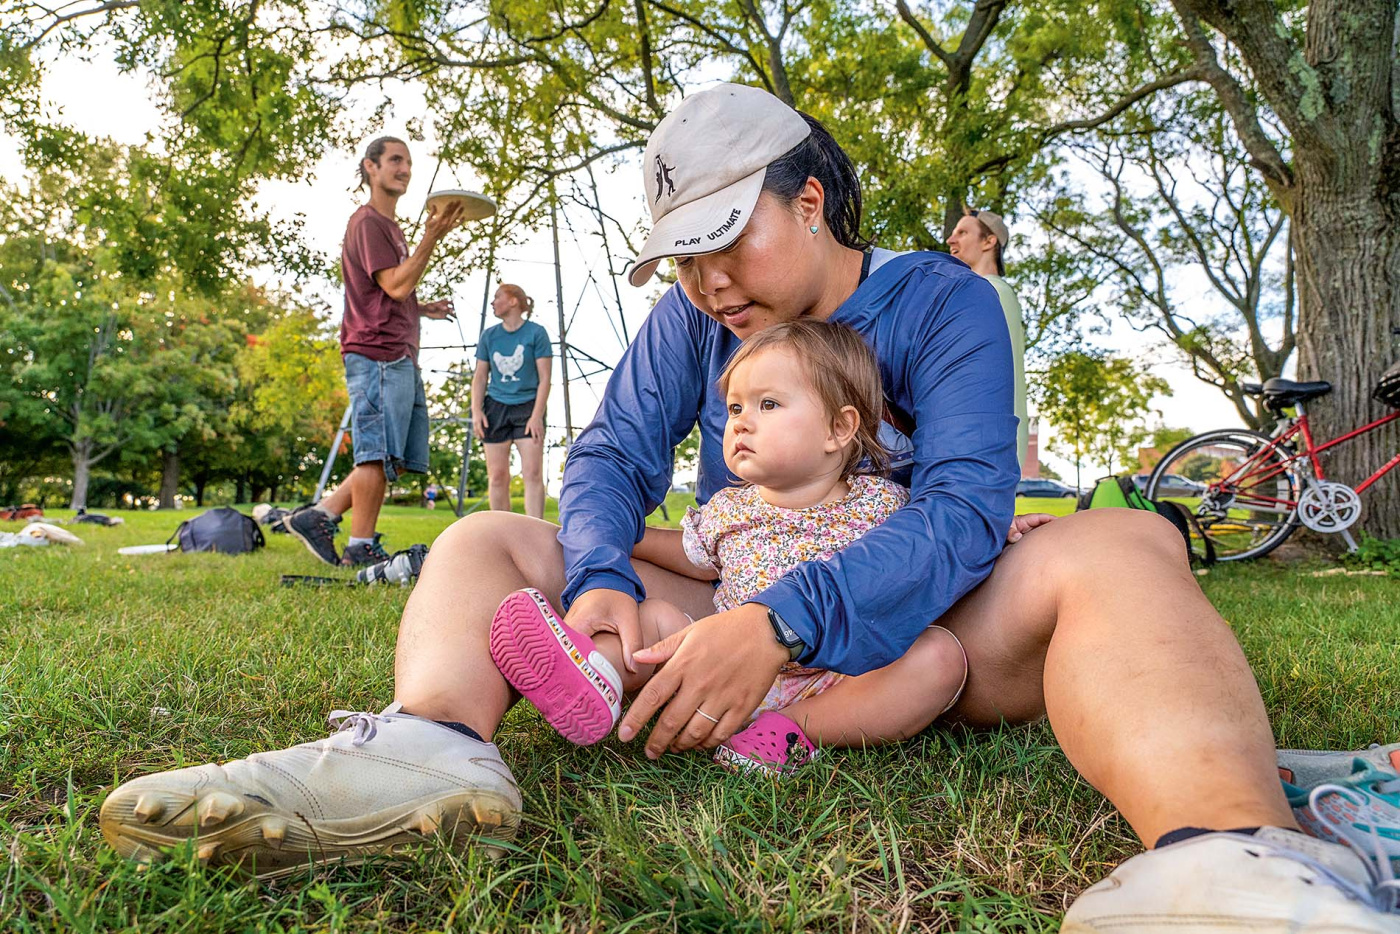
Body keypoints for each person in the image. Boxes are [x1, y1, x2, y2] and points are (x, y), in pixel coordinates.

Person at [100, 85, 1400, 929]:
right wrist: (604, 570)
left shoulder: (940, 303)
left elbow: (961, 511)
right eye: (684, 254)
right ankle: (434, 749)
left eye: (732, 238)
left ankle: (1233, 859)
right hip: (724, 593)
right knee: (488, 536)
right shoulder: (690, 317)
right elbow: (607, 453)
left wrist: (780, 623)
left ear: (813, 200)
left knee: (1120, 538)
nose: (707, 279)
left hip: (936, 622)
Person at [487, 319, 975, 774]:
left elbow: (936, 540)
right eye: (735, 408)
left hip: (840, 676)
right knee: (656, 616)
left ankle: (793, 731)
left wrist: (1006, 527)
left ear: (839, 428)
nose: (739, 423)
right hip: (720, 666)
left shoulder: (884, 502)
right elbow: (695, 561)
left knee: (938, 658)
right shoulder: (727, 507)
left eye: (768, 405)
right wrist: (624, 536)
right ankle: (596, 673)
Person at [286, 136, 463, 568]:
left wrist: (422, 308)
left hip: (398, 352)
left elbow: (386, 292)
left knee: (393, 457)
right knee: (377, 454)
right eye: (395, 160)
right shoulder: (367, 222)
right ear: (371, 167)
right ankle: (359, 544)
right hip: (377, 353)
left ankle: (322, 515)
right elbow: (396, 284)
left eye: (408, 162)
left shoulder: (392, 229)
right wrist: (433, 237)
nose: (404, 169)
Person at [947, 209, 1029, 468]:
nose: (951, 240)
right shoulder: (991, 292)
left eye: (962, 232)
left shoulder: (992, 292)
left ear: (989, 241)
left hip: (985, 449)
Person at [471, 285, 552, 518]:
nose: (493, 302)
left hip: (528, 406)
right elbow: (480, 376)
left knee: (533, 473)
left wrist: (537, 416)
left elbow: (545, 378)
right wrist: (476, 411)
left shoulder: (536, 334)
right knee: (497, 476)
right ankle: (502, 532)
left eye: (498, 297)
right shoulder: (489, 336)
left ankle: (535, 531)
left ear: (514, 301)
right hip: (495, 406)